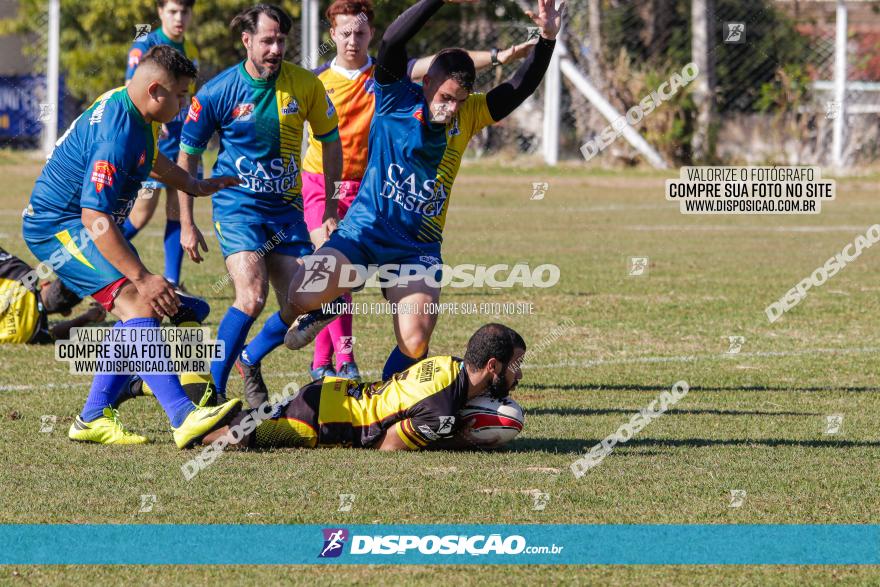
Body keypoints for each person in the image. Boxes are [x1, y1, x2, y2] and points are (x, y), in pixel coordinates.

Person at [281, 0, 562, 383]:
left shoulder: (470, 114)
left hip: (417, 246)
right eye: (446, 98)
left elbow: (519, 86)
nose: (451, 109)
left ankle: (382, 405)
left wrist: (547, 38)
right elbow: (395, 40)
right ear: (426, 82)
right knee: (299, 295)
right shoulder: (395, 96)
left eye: (459, 101)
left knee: (415, 342)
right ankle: (312, 316)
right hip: (364, 231)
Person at [21, 45, 241, 447]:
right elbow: (94, 217)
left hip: (87, 223)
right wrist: (141, 276)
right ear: (156, 90)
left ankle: (92, 417)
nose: (185, 103)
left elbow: (150, 156)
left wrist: (191, 185)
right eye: (180, 96)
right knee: (140, 301)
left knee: (152, 310)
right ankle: (183, 416)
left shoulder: (137, 112)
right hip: (58, 227)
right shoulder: (117, 133)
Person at [177, 4, 343, 406]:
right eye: (267, 40)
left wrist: (331, 206)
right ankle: (212, 397)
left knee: (321, 299)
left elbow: (331, 140)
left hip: (287, 213)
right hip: (238, 208)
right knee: (251, 296)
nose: (275, 48)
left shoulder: (305, 84)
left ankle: (250, 358)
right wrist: (186, 221)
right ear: (247, 40)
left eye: (281, 41)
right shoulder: (218, 91)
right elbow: (187, 157)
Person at [202, 323, 525, 450]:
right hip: (321, 421)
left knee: (253, 418)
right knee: (246, 435)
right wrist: (466, 442)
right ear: (492, 366)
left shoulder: (449, 365)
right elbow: (388, 446)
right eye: (514, 366)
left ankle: (213, 413)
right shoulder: (441, 409)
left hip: (334, 394)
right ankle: (193, 429)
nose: (519, 375)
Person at [122, 0, 200, 289]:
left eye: (185, 11)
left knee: (178, 209)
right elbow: (133, 90)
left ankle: (173, 279)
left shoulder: (189, 48)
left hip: (184, 141)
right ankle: (95, 257)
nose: (179, 18)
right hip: (155, 142)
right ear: (160, 12)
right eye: (172, 11)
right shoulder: (146, 45)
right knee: (141, 214)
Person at [0, 247, 106, 344]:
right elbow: (55, 335)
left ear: (44, 283)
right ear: (66, 313)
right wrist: (86, 318)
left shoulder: (22, 274)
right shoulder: (31, 332)